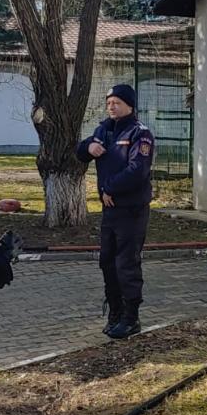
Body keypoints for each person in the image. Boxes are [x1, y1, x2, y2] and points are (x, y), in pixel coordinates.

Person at [76, 84, 155, 340]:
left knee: (126, 264)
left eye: (117, 102)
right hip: (110, 211)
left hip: (131, 210)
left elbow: (137, 170)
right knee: (107, 262)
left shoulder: (140, 134)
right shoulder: (105, 130)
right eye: (109, 102)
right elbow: (81, 152)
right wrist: (88, 147)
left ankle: (131, 318)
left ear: (129, 106)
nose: (111, 106)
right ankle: (115, 312)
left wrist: (109, 188)